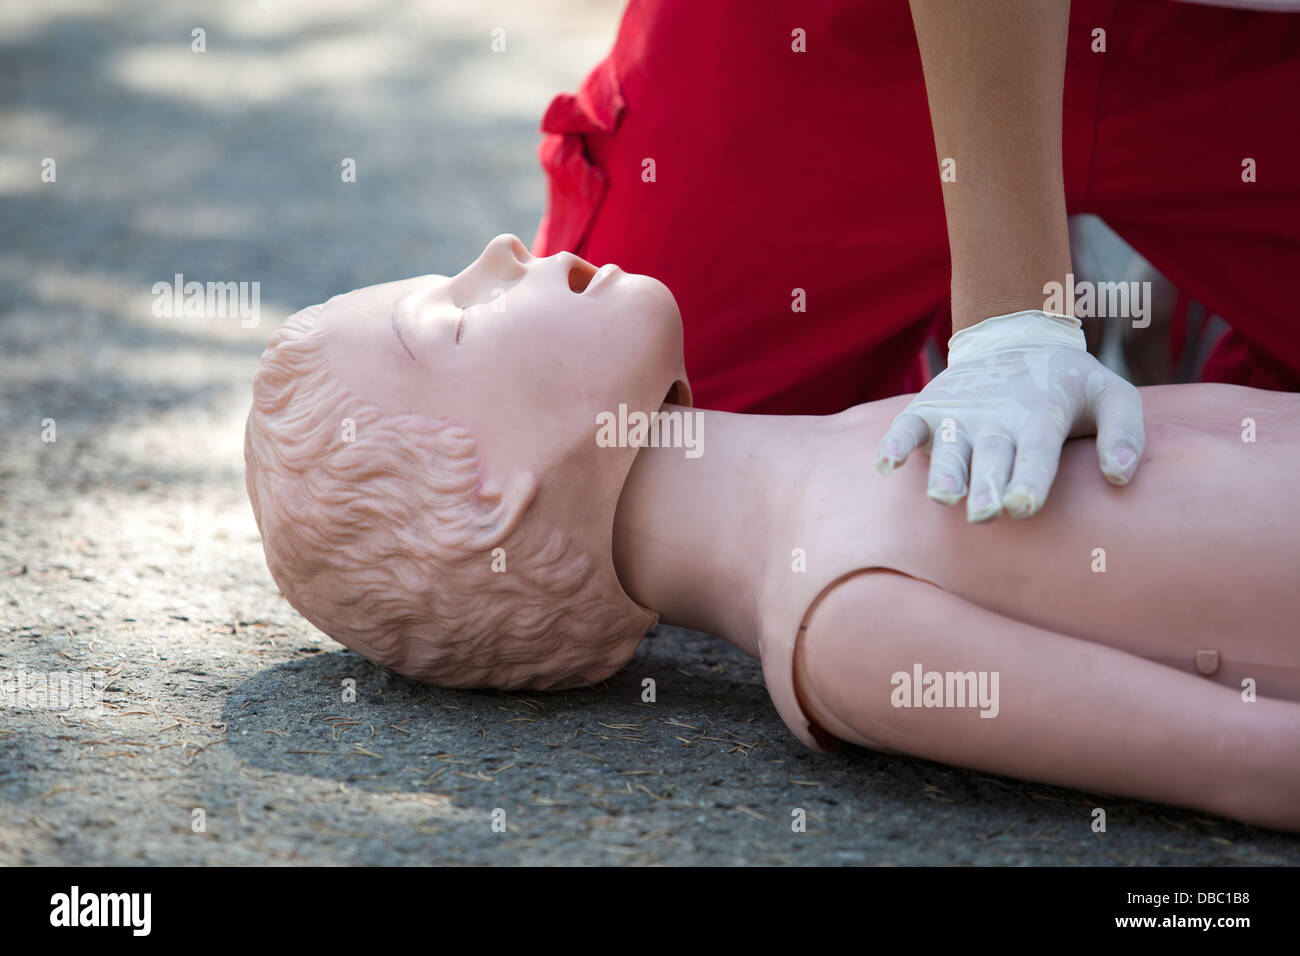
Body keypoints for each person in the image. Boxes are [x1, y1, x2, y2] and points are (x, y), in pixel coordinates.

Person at [244, 236, 1300, 830]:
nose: (501, 247)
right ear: (488, 495)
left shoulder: (839, 474)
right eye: (457, 317)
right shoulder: (846, 626)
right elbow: (1246, 761)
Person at [533, 0, 1300, 522]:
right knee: (617, 448)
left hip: (1264, 50)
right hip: (867, 24)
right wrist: (1007, 318)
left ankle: (1200, 296)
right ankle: (951, 286)